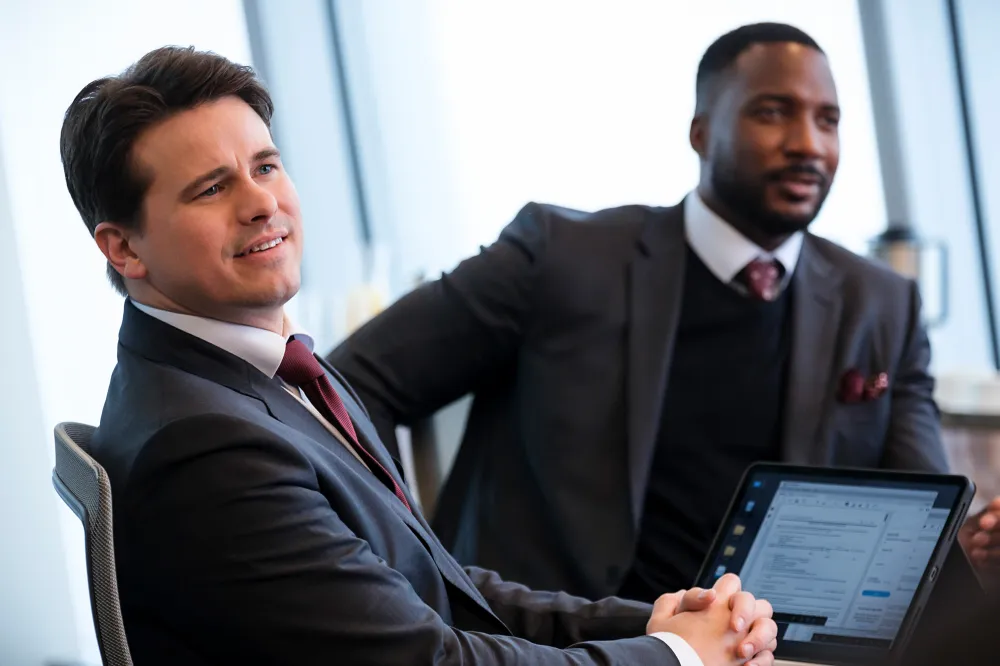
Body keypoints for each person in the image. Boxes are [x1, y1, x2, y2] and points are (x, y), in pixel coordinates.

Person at [60, 46, 779, 666]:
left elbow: (433, 586)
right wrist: (681, 657)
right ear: (123, 249)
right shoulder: (207, 445)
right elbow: (425, 660)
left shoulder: (263, 375)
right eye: (212, 188)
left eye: (267, 166)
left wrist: (654, 623)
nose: (262, 204)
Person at [328, 21, 1000, 603]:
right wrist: (405, 558)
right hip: (558, 641)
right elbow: (348, 384)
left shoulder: (880, 303)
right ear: (702, 133)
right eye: (773, 112)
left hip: (764, 648)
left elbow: (921, 505)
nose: (808, 144)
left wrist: (969, 544)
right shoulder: (560, 257)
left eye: (828, 120)